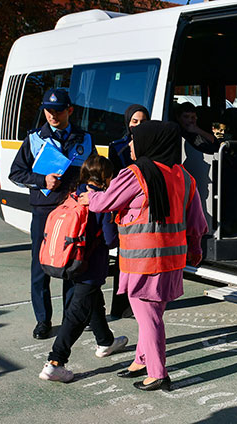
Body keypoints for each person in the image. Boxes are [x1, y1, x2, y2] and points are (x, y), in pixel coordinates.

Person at [80, 120, 207, 391]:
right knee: (153, 313)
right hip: (172, 260)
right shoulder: (184, 176)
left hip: (143, 259)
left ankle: (158, 372)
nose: (129, 145)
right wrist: (195, 249)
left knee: (146, 315)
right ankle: (141, 359)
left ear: (150, 142)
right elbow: (196, 221)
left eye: (134, 139)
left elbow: (103, 203)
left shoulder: (135, 174)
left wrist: (88, 197)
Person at [9, 88, 93, 340]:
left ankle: (71, 317)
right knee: (41, 265)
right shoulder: (35, 139)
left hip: (73, 210)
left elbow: (93, 172)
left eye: (57, 111)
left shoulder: (84, 138)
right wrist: (41, 180)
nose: (52, 115)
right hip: (44, 210)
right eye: (48, 110)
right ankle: (43, 320)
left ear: (70, 110)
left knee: (73, 263)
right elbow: (16, 173)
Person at [39, 155, 128, 382]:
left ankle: (105, 342)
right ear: (106, 176)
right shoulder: (101, 201)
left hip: (72, 261)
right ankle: (56, 362)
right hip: (91, 266)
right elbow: (110, 241)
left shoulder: (75, 194)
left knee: (94, 302)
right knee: (77, 313)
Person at [106, 104, 150, 319]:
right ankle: (121, 305)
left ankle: (139, 301)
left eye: (143, 122)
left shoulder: (153, 145)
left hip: (146, 208)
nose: (138, 126)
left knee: (142, 259)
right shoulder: (118, 146)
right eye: (134, 122)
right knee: (124, 259)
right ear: (127, 123)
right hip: (126, 208)